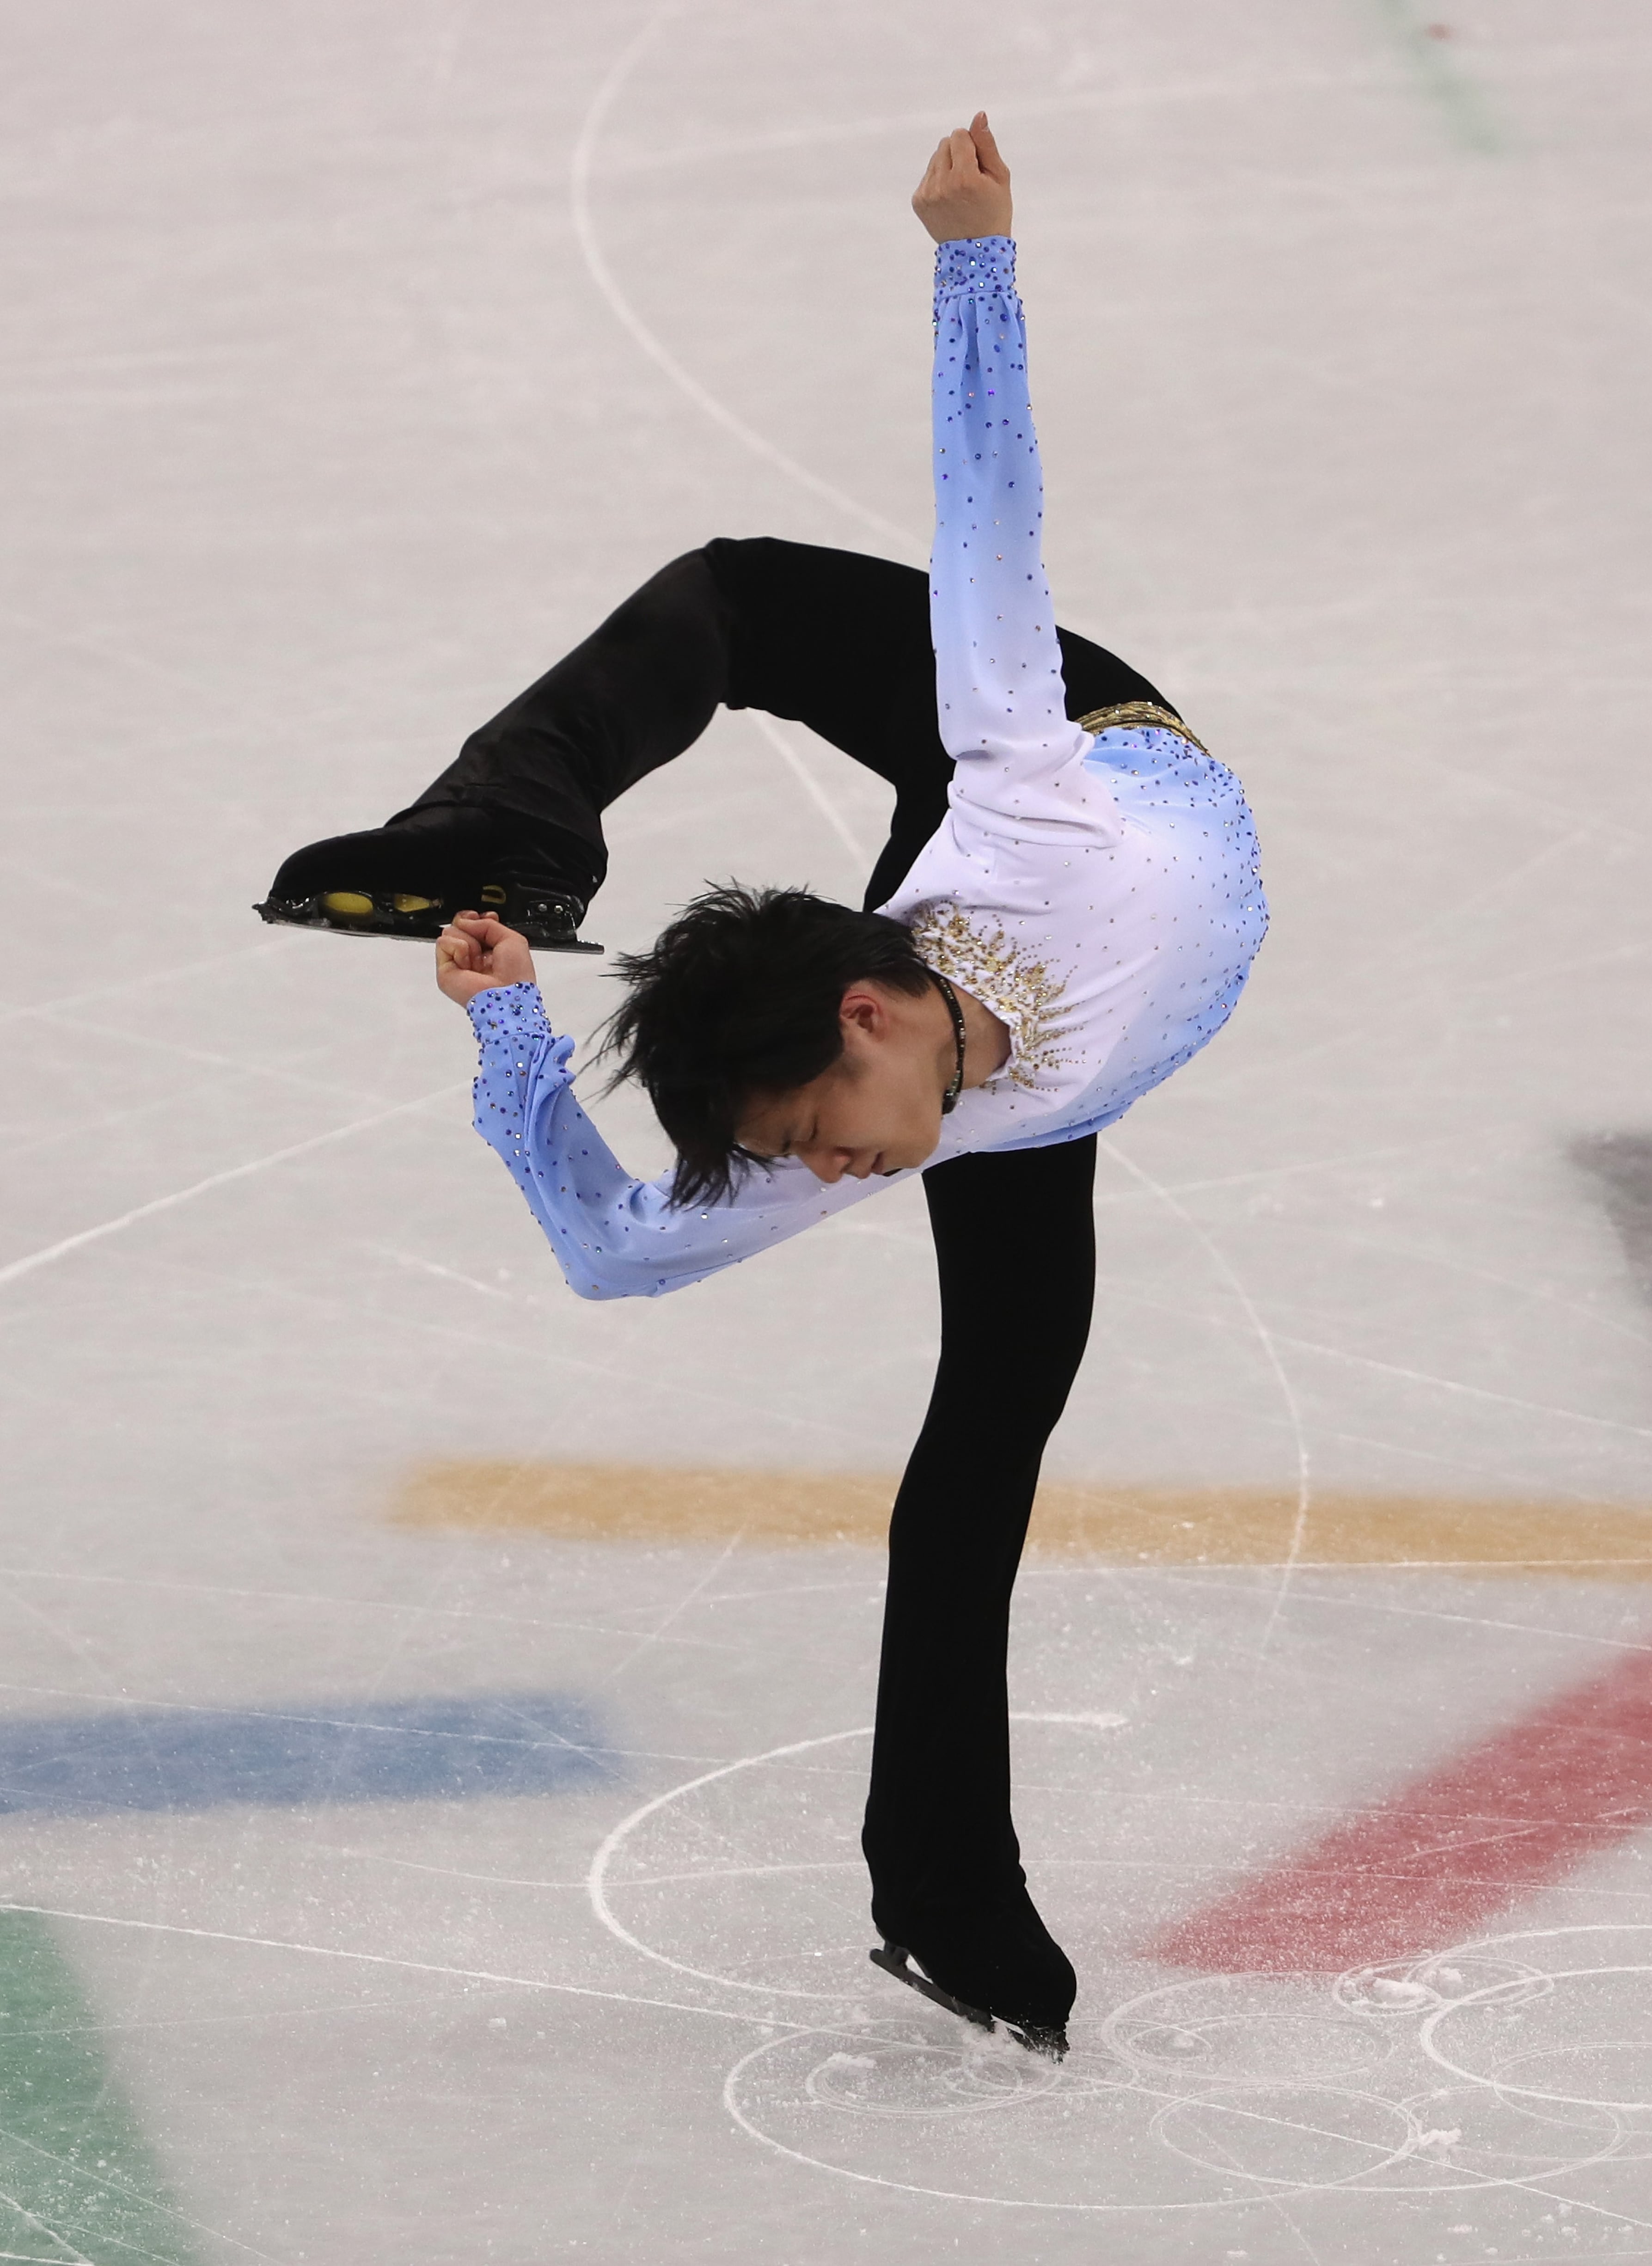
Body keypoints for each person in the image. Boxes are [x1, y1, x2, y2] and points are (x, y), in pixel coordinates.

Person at [258, 116, 1267, 2057]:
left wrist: (975, 252)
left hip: (1074, 753)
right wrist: (507, 1031)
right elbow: (621, 1255)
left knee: (743, 592)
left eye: (804, 1131)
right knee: (983, 1442)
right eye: (790, 1155)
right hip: (1005, 1055)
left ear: (870, 1025)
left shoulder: (1022, 784)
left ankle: (932, 1882)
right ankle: (506, 829)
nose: (814, 1182)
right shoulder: (861, 1100)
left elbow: (991, 528)